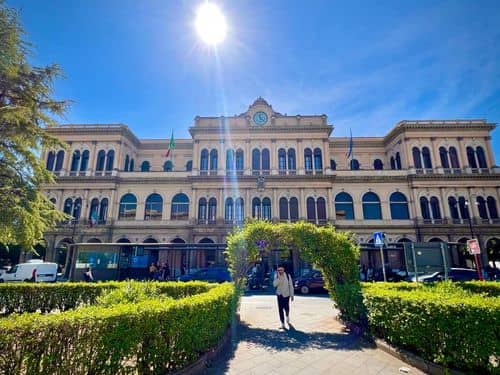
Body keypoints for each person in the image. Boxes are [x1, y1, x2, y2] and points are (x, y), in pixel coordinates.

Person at [273, 265, 294, 329]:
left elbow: (291, 285)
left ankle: (287, 316)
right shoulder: (276, 276)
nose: (280, 271)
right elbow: (274, 285)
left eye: (281, 270)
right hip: (279, 294)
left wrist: (292, 295)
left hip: (286, 295)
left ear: (283, 270)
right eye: (278, 270)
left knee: (286, 308)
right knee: (280, 309)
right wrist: (278, 279)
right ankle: (282, 324)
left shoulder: (288, 275)